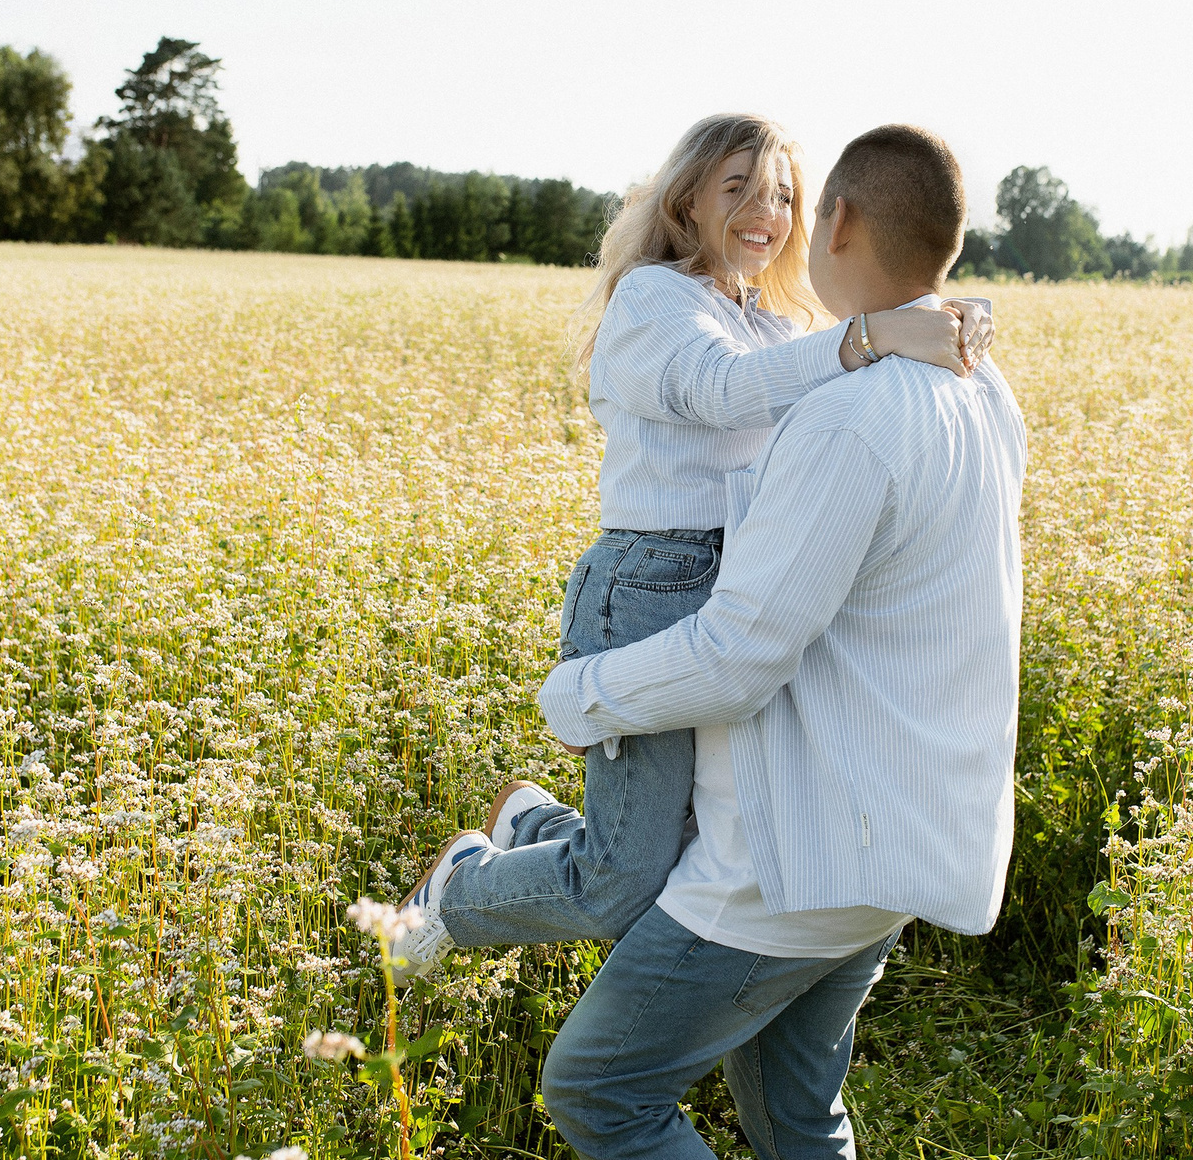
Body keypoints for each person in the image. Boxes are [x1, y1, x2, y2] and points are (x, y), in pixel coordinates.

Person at [384, 114, 994, 980]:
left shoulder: (775, 323)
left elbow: (838, 368)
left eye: (783, 195)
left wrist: (946, 316)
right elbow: (723, 389)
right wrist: (877, 335)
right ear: (688, 201)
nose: (765, 212)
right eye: (738, 187)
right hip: (650, 589)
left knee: (692, 851)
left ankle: (527, 822)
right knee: (620, 884)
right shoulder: (654, 300)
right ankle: (456, 890)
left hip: (735, 591)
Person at [531, 125, 1025, 1159]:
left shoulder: (851, 415)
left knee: (600, 1091)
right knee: (798, 1119)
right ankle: (531, 833)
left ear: (834, 220)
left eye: (790, 197)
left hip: (791, 865)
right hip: (901, 850)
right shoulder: (984, 389)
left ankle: (514, 843)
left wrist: (577, 696)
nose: (771, 215)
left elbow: (737, 657)